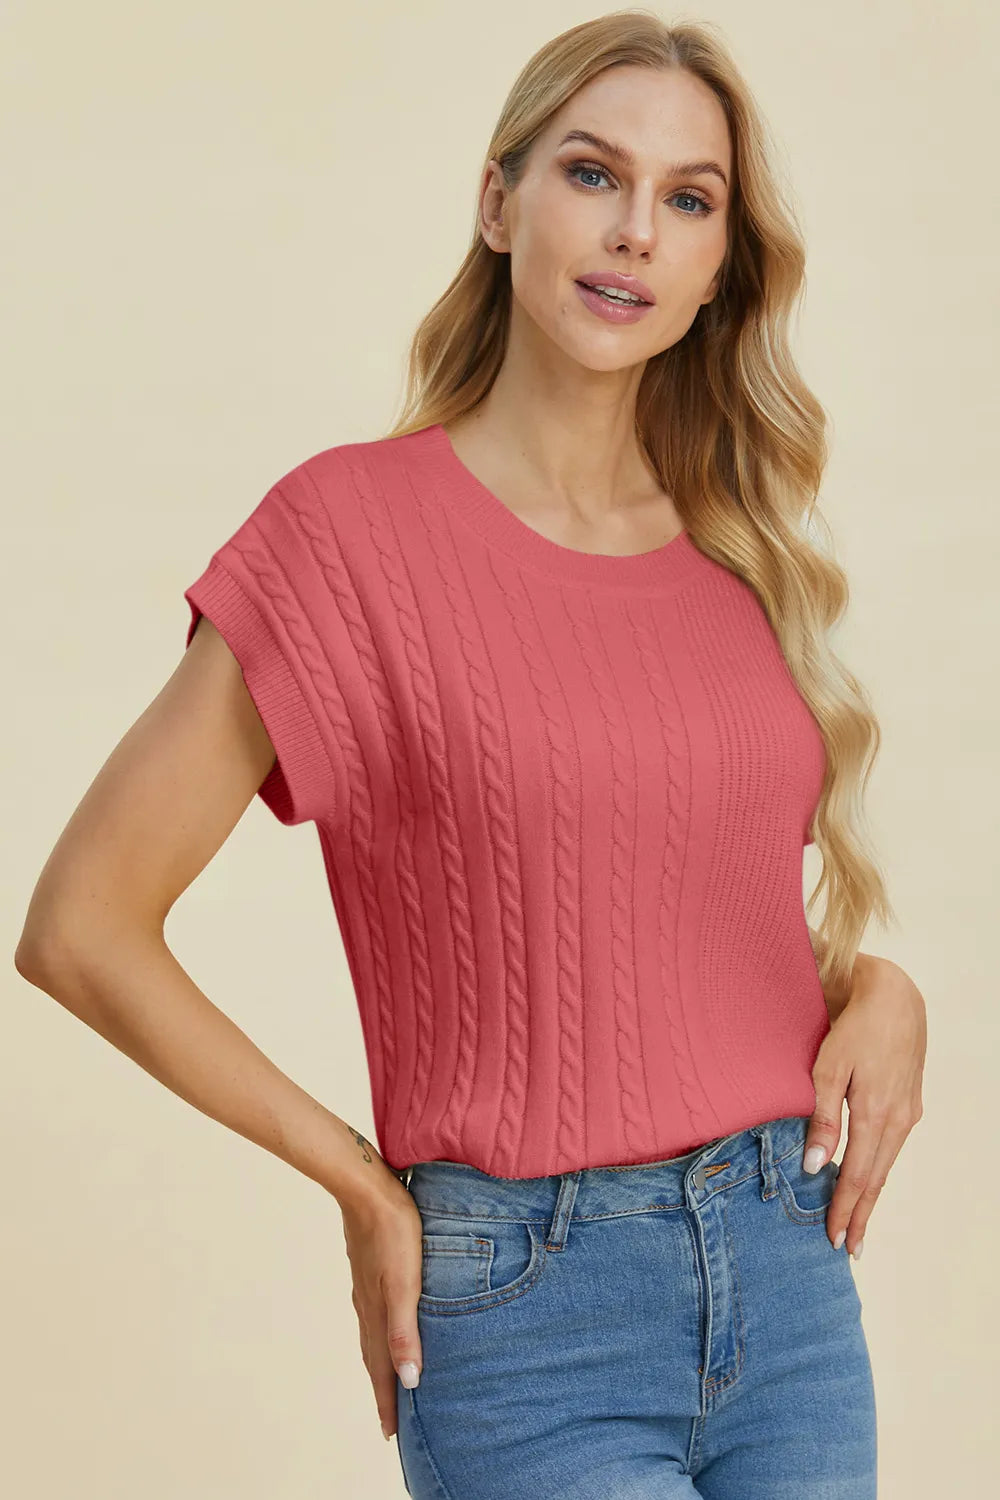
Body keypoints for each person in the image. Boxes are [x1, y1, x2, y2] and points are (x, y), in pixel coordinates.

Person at [14, 11, 928, 1498]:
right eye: (592, 173)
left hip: (788, 1279)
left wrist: (879, 989)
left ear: (720, 267)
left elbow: (675, 921)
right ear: (498, 203)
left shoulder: (740, 557)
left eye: (690, 199)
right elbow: (79, 925)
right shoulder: (347, 539)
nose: (635, 232)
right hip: (533, 1310)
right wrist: (360, 1184)